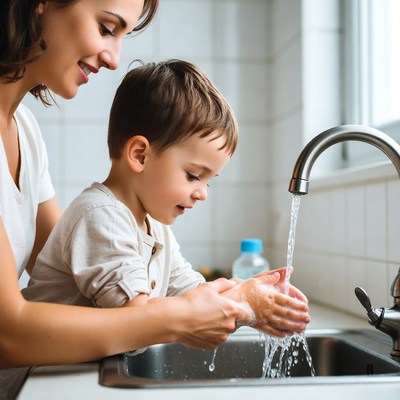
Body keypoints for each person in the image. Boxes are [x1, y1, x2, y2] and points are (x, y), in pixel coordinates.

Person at [0, 0, 309, 380]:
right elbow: (8, 332)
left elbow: (56, 261)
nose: (114, 59)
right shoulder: (100, 214)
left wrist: (247, 298)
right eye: (107, 27)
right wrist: (217, 310)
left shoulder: (27, 134)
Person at [22, 59, 310, 344]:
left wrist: (246, 293)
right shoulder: (101, 217)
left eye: (209, 180)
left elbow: (190, 291)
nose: (202, 192)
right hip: (33, 381)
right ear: (140, 155)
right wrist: (241, 304)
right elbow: (135, 318)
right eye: (194, 175)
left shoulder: (154, 227)